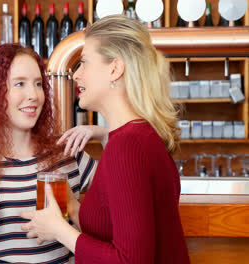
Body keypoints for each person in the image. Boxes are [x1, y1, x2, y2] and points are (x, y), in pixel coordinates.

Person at [20, 15, 191, 264]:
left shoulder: (127, 147)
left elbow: (129, 260)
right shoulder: (139, 136)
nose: (76, 74)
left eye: (85, 63)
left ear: (115, 69)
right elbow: (116, 227)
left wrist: (59, 230)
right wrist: (73, 207)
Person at [0, 43, 97, 264]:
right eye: (20, 84)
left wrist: (103, 133)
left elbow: (114, 226)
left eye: (38, 84)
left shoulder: (68, 155)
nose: (34, 95)